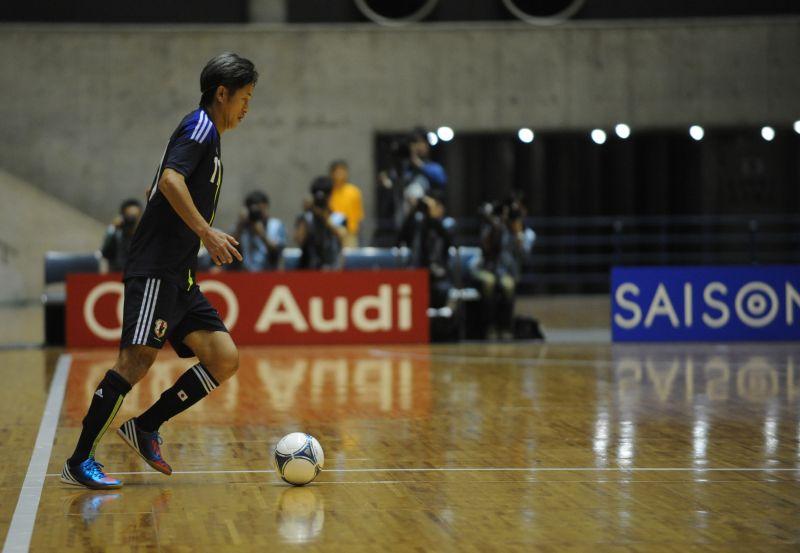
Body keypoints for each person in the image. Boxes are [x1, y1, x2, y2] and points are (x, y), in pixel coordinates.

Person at [60, 53, 257, 490]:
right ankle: (78, 460)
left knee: (223, 358)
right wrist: (205, 232)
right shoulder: (200, 127)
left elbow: (157, 187)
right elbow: (168, 181)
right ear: (220, 94)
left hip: (180, 275)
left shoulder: (207, 136)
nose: (246, 108)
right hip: (156, 270)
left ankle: (145, 427)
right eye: (243, 98)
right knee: (135, 361)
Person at [471, 196, 535, 339]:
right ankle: (489, 326)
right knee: (489, 283)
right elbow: (485, 247)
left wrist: (517, 234)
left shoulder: (527, 233)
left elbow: (524, 255)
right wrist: (495, 226)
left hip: (509, 272)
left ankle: (505, 327)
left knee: (507, 285)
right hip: (488, 269)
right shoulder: (495, 227)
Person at [378, 127, 448, 237]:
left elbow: (441, 180)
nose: (417, 146)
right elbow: (393, 185)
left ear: (427, 145)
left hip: (429, 222)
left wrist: (416, 162)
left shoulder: (433, 167)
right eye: (414, 143)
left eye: (420, 142)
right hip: (405, 222)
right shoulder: (405, 170)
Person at [397, 189, 453, 308]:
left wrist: (431, 217)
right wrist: (415, 210)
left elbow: (447, 239)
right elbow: (400, 238)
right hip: (419, 272)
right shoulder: (420, 225)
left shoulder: (445, 224)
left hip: (439, 276)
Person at [294, 176, 347, 270]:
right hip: (309, 269)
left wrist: (322, 217)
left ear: (330, 195)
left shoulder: (339, 218)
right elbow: (299, 240)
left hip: (332, 269)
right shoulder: (305, 217)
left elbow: (342, 236)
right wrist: (307, 213)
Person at [229, 190, 286, 271]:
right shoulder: (240, 226)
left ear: (266, 206)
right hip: (243, 273)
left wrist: (262, 235)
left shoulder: (275, 225)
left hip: (269, 273)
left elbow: (277, 253)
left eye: (259, 209)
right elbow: (228, 248)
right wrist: (240, 225)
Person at [328, 160, 363, 248]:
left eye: (343, 171)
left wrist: (353, 230)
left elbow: (358, 215)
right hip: (331, 233)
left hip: (350, 234)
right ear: (332, 173)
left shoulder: (354, 191)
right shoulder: (328, 192)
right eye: (337, 171)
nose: (340, 174)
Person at [100, 199, 143, 272]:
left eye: (134, 217)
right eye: (128, 216)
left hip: (133, 275)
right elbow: (104, 253)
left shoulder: (142, 236)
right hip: (115, 274)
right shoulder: (116, 233)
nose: (131, 221)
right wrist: (112, 229)